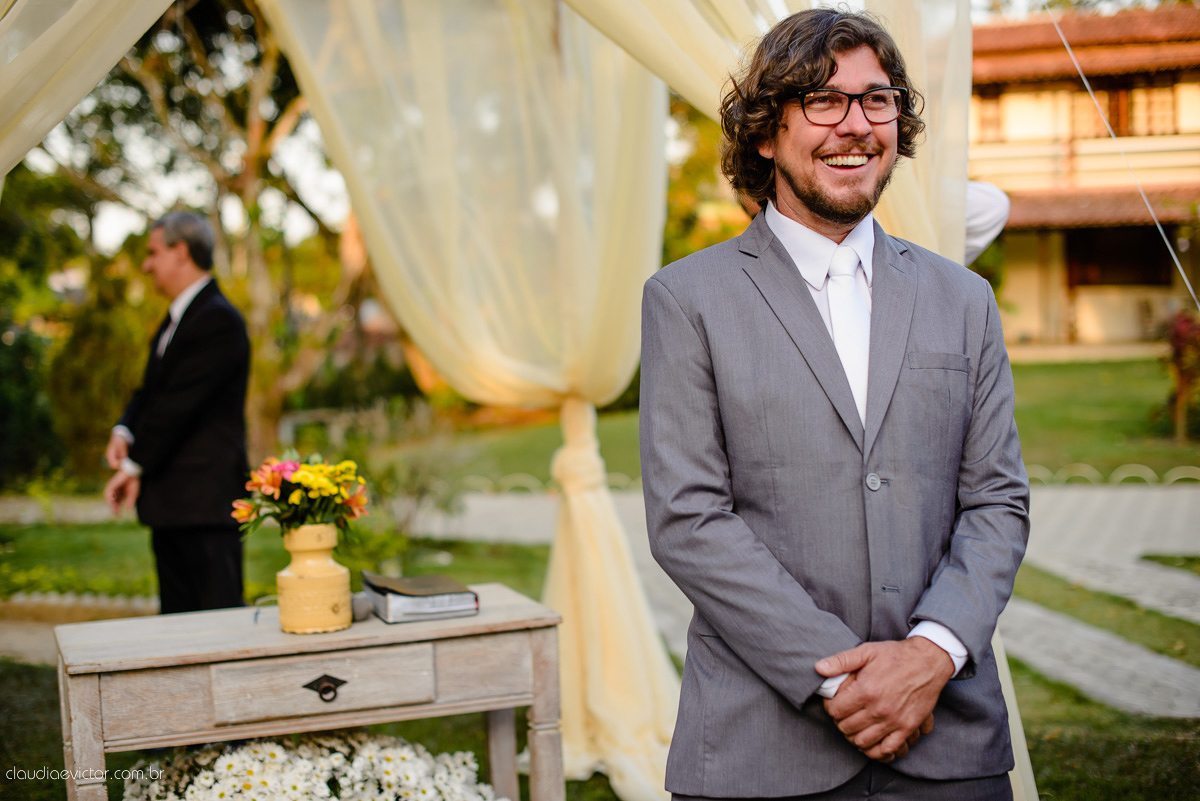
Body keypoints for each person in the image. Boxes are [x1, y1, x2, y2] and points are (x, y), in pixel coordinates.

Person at [639, 9, 1028, 801]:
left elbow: (997, 499)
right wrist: (842, 682)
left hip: (947, 739)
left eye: (876, 100)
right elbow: (689, 517)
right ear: (764, 132)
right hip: (760, 743)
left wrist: (929, 655)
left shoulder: (964, 299)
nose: (855, 125)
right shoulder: (685, 299)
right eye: (821, 100)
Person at [104, 212, 251, 614]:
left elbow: (177, 407)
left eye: (153, 253)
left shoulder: (218, 319)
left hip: (205, 507)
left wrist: (133, 467)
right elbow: (151, 392)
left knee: (215, 627)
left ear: (181, 252)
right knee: (175, 630)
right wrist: (124, 431)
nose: (147, 264)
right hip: (173, 505)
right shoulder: (176, 320)